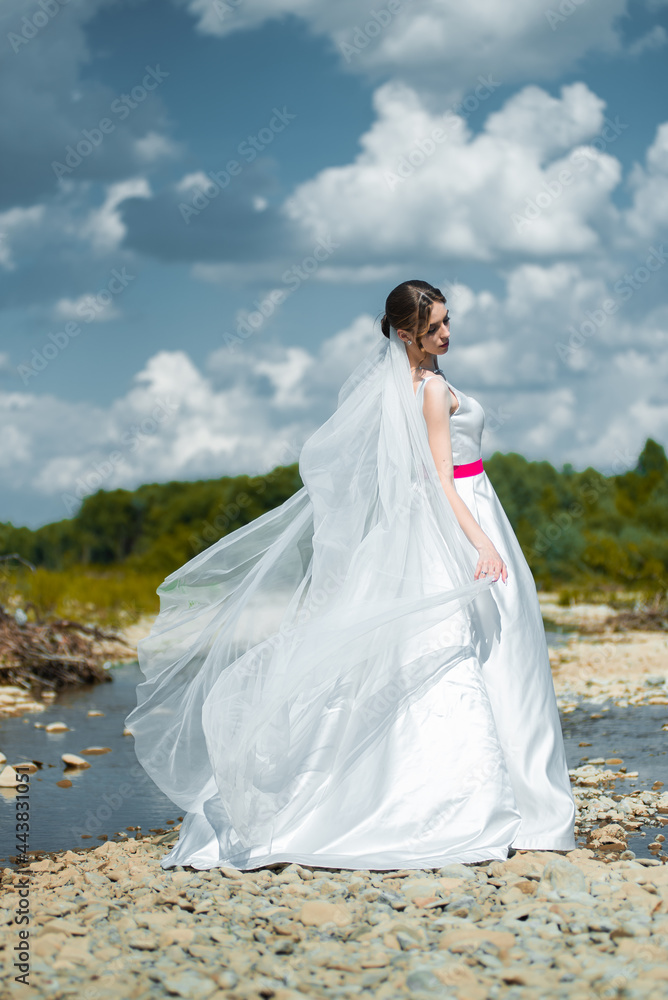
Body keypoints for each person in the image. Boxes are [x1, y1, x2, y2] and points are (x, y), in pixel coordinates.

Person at [125, 279, 576, 871]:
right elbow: (443, 479)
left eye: (447, 320)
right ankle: (497, 804)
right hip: (466, 513)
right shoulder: (434, 389)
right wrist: (483, 545)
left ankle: (491, 793)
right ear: (408, 333)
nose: (447, 333)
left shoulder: (404, 387)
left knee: (465, 651)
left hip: (440, 518)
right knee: (493, 649)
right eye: (436, 326)